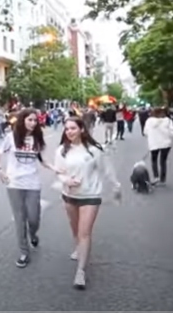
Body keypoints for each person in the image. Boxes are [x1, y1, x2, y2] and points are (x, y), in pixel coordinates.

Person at [54, 116, 121, 290]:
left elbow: (108, 169)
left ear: (82, 129)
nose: (69, 132)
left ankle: (81, 271)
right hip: (69, 194)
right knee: (75, 229)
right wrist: (65, 180)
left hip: (90, 195)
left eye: (73, 128)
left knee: (85, 232)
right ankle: (78, 248)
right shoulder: (61, 150)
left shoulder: (94, 150)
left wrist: (116, 186)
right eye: (67, 129)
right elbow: (59, 172)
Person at [0, 108, 57, 268]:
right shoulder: (11, 137)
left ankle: (33, 234)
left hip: (32, 183)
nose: (33, 123)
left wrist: (57, 169)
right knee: (20, 218)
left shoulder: (37, 138)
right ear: (23, 120)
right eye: (30, 120)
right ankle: (24, 252)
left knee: (34, 218)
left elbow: (43, 160)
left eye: (35, 120)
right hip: (14, 183)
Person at [143, 107, 173, 186]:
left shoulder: (149, 121)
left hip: (154, 143)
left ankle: (156, 177)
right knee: (163, 161)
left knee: (154, 160)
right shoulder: (168, 121)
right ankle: (163, 179)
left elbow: (145, 132)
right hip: (166, 144)